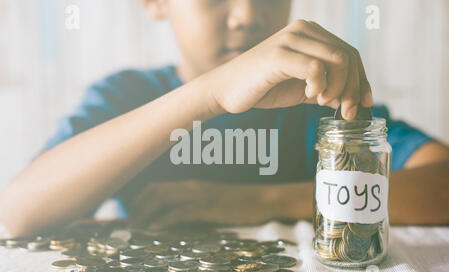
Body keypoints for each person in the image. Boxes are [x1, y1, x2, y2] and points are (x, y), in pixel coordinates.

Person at [1, 0, 448, 237]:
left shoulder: (316, 101)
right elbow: (17, 212)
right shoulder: (125, 96)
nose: (248, 15)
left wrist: (257, 202)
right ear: (155, 2)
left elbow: (441, 182)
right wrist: (209, 94)